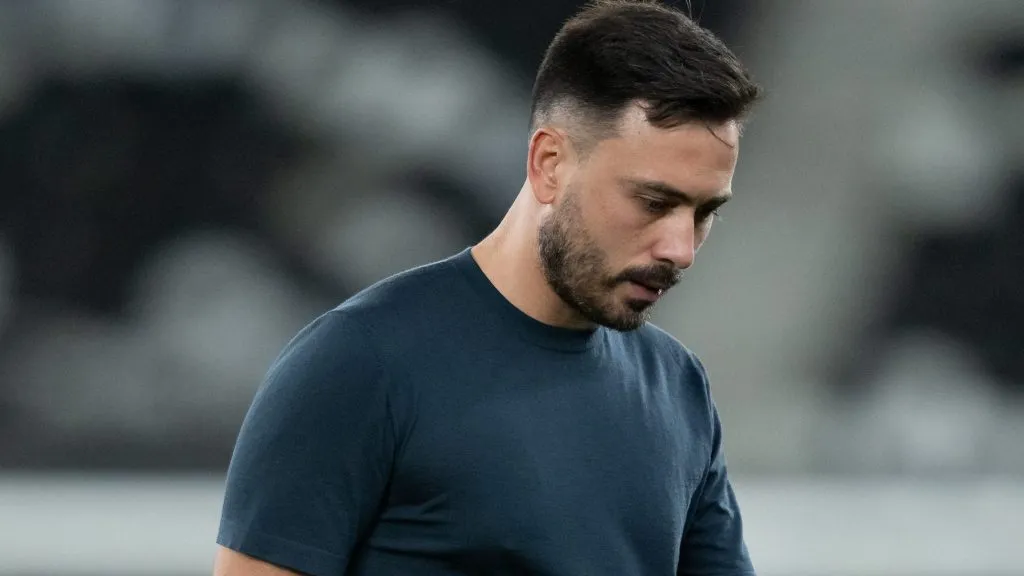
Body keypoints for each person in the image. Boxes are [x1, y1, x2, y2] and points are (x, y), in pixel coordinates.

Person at [214, 0, 762, 574]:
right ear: (549, 163)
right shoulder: (360, 364)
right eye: (654, 201)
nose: (681, 247)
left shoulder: (677, 387)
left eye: (704, 212)